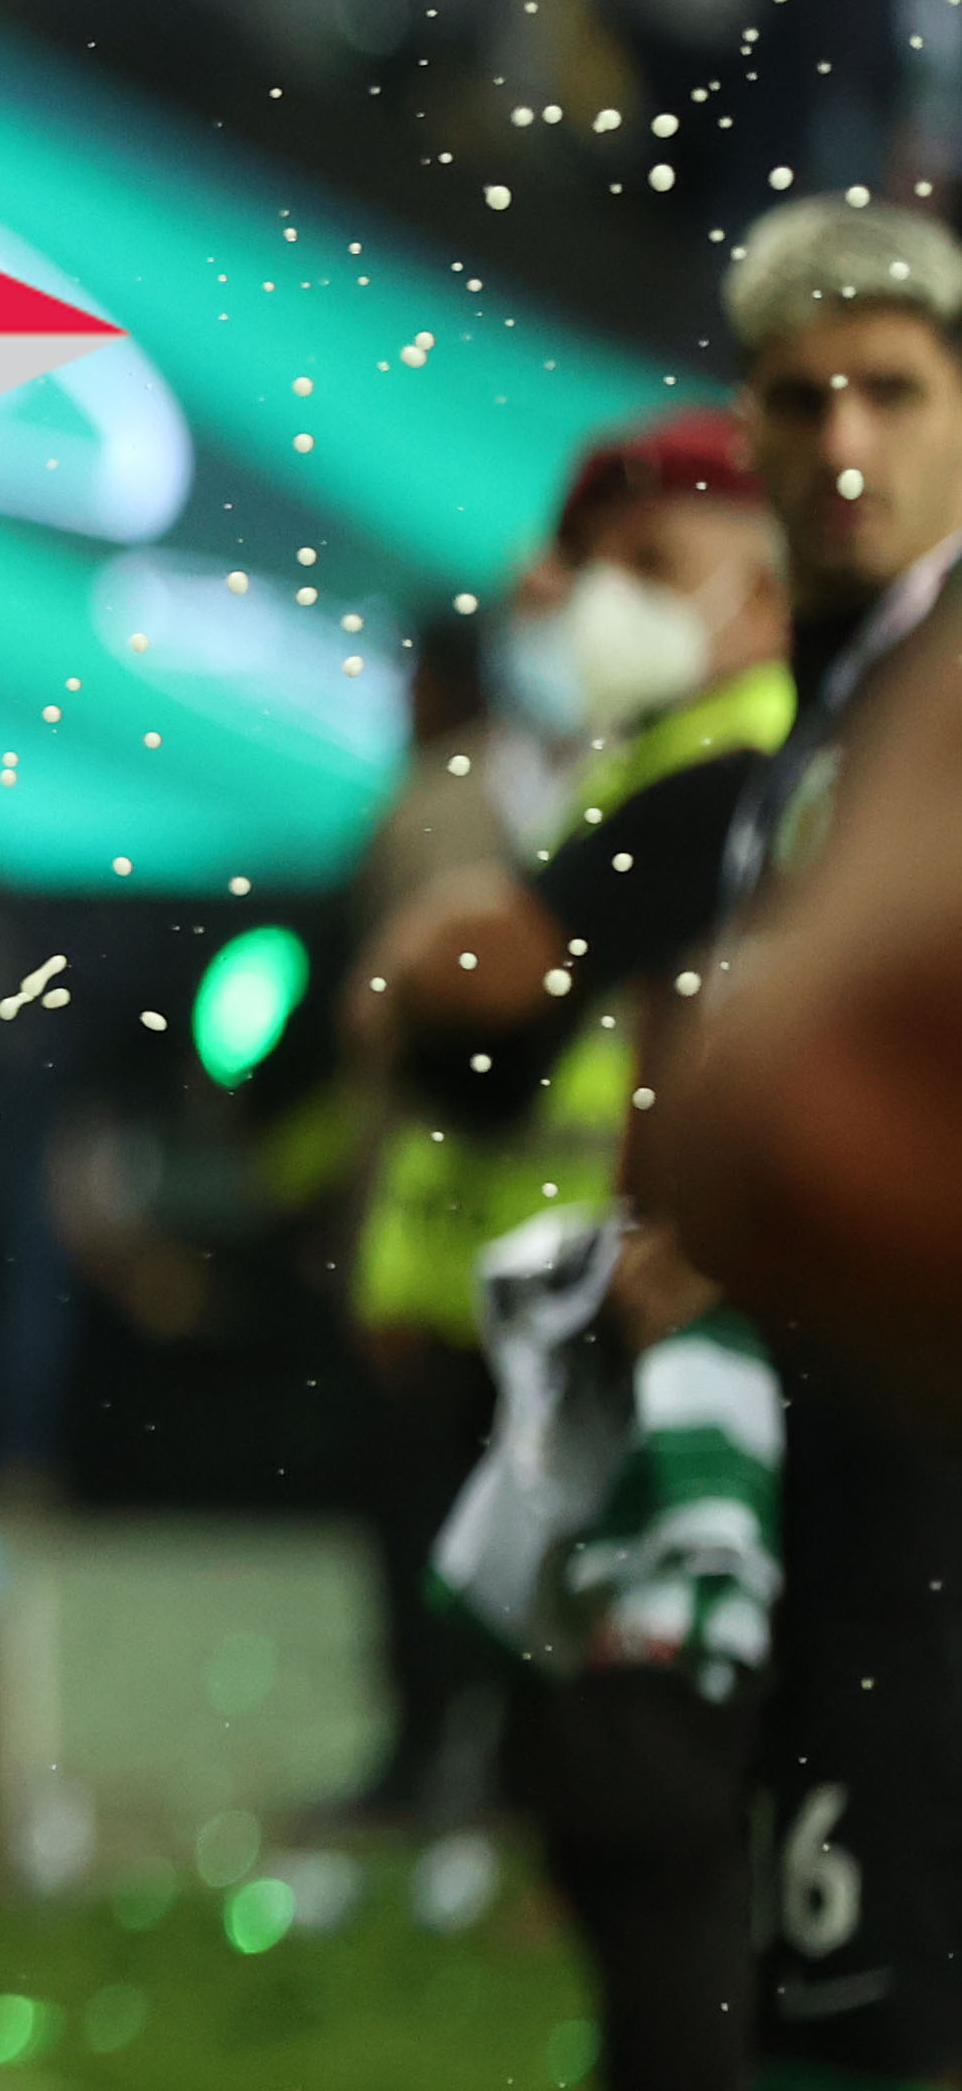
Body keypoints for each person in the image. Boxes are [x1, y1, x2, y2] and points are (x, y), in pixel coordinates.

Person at [368, 196, 962, 2088]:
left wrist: (746, 1199)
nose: (842, 440)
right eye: (797, 399)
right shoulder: (802, 738)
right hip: (795, 1440)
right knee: (782, 1972)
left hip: (909, 1460)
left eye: (890, 391)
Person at [345, 414, 793, 1821]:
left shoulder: (748, 757)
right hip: (579, 1258)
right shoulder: (640, 759)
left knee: (665, 1710)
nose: (610, 603)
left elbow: (493, 971)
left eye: (652, 564)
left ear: (765, 582)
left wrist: (420, 966)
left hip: (685, 1272)